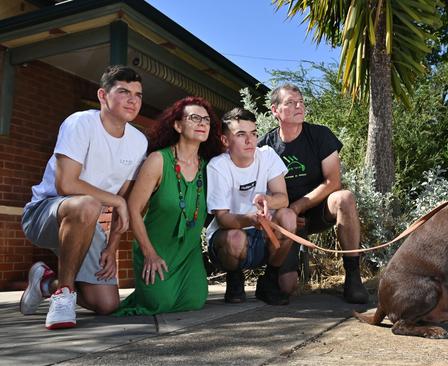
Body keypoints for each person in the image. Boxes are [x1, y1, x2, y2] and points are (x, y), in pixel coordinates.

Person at [19, 65, 148, 329]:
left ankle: (46, 282)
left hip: (87, 224)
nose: (133, 99)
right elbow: (66, 183)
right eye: (123, 91)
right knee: (88, 204)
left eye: (138, 94)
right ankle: (64, 294)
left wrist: (111, 248)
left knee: (106, 304)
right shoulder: (80, 123)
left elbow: (122, 197)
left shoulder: (138, 141)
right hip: (44, 214)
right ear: (103, 95)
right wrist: (117, 201)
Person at [258, 83, 369, 304]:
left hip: (317, 210)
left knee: (344, 197)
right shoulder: (265, 146)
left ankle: (353, 276)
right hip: (287, 219)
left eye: (300, 102)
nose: (299, 106)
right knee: (286, 287)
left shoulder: (320, 135)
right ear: (275, 111)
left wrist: (297, 207)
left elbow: (333, 181)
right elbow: (260, 190)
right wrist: (284, 214)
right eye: (290, 103)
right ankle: (275, 275)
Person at [112, 96, 222, 316]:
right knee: (159, 304)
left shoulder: (210, 166)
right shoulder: (158, 160)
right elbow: (133, 209)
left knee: (195, 301)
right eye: (194, 118)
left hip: (188, 253)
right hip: (156, 250)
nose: (202, 123)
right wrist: (149, 253)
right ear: (177, 125)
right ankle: (144, 292)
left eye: (206, 120)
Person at [206, 107, 296, 305]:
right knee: (236, 237)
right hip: (228, 237)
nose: (250, 141)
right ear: (225, 141)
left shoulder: (268, 155)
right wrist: (250, 219)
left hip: (262, 233)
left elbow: (283, 198)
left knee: (288, 217)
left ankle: (269, 280)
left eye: (254, 134)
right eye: (241, 135)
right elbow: (222, 218)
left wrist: (267, 200)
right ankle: (234, 279)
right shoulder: (217, 166)